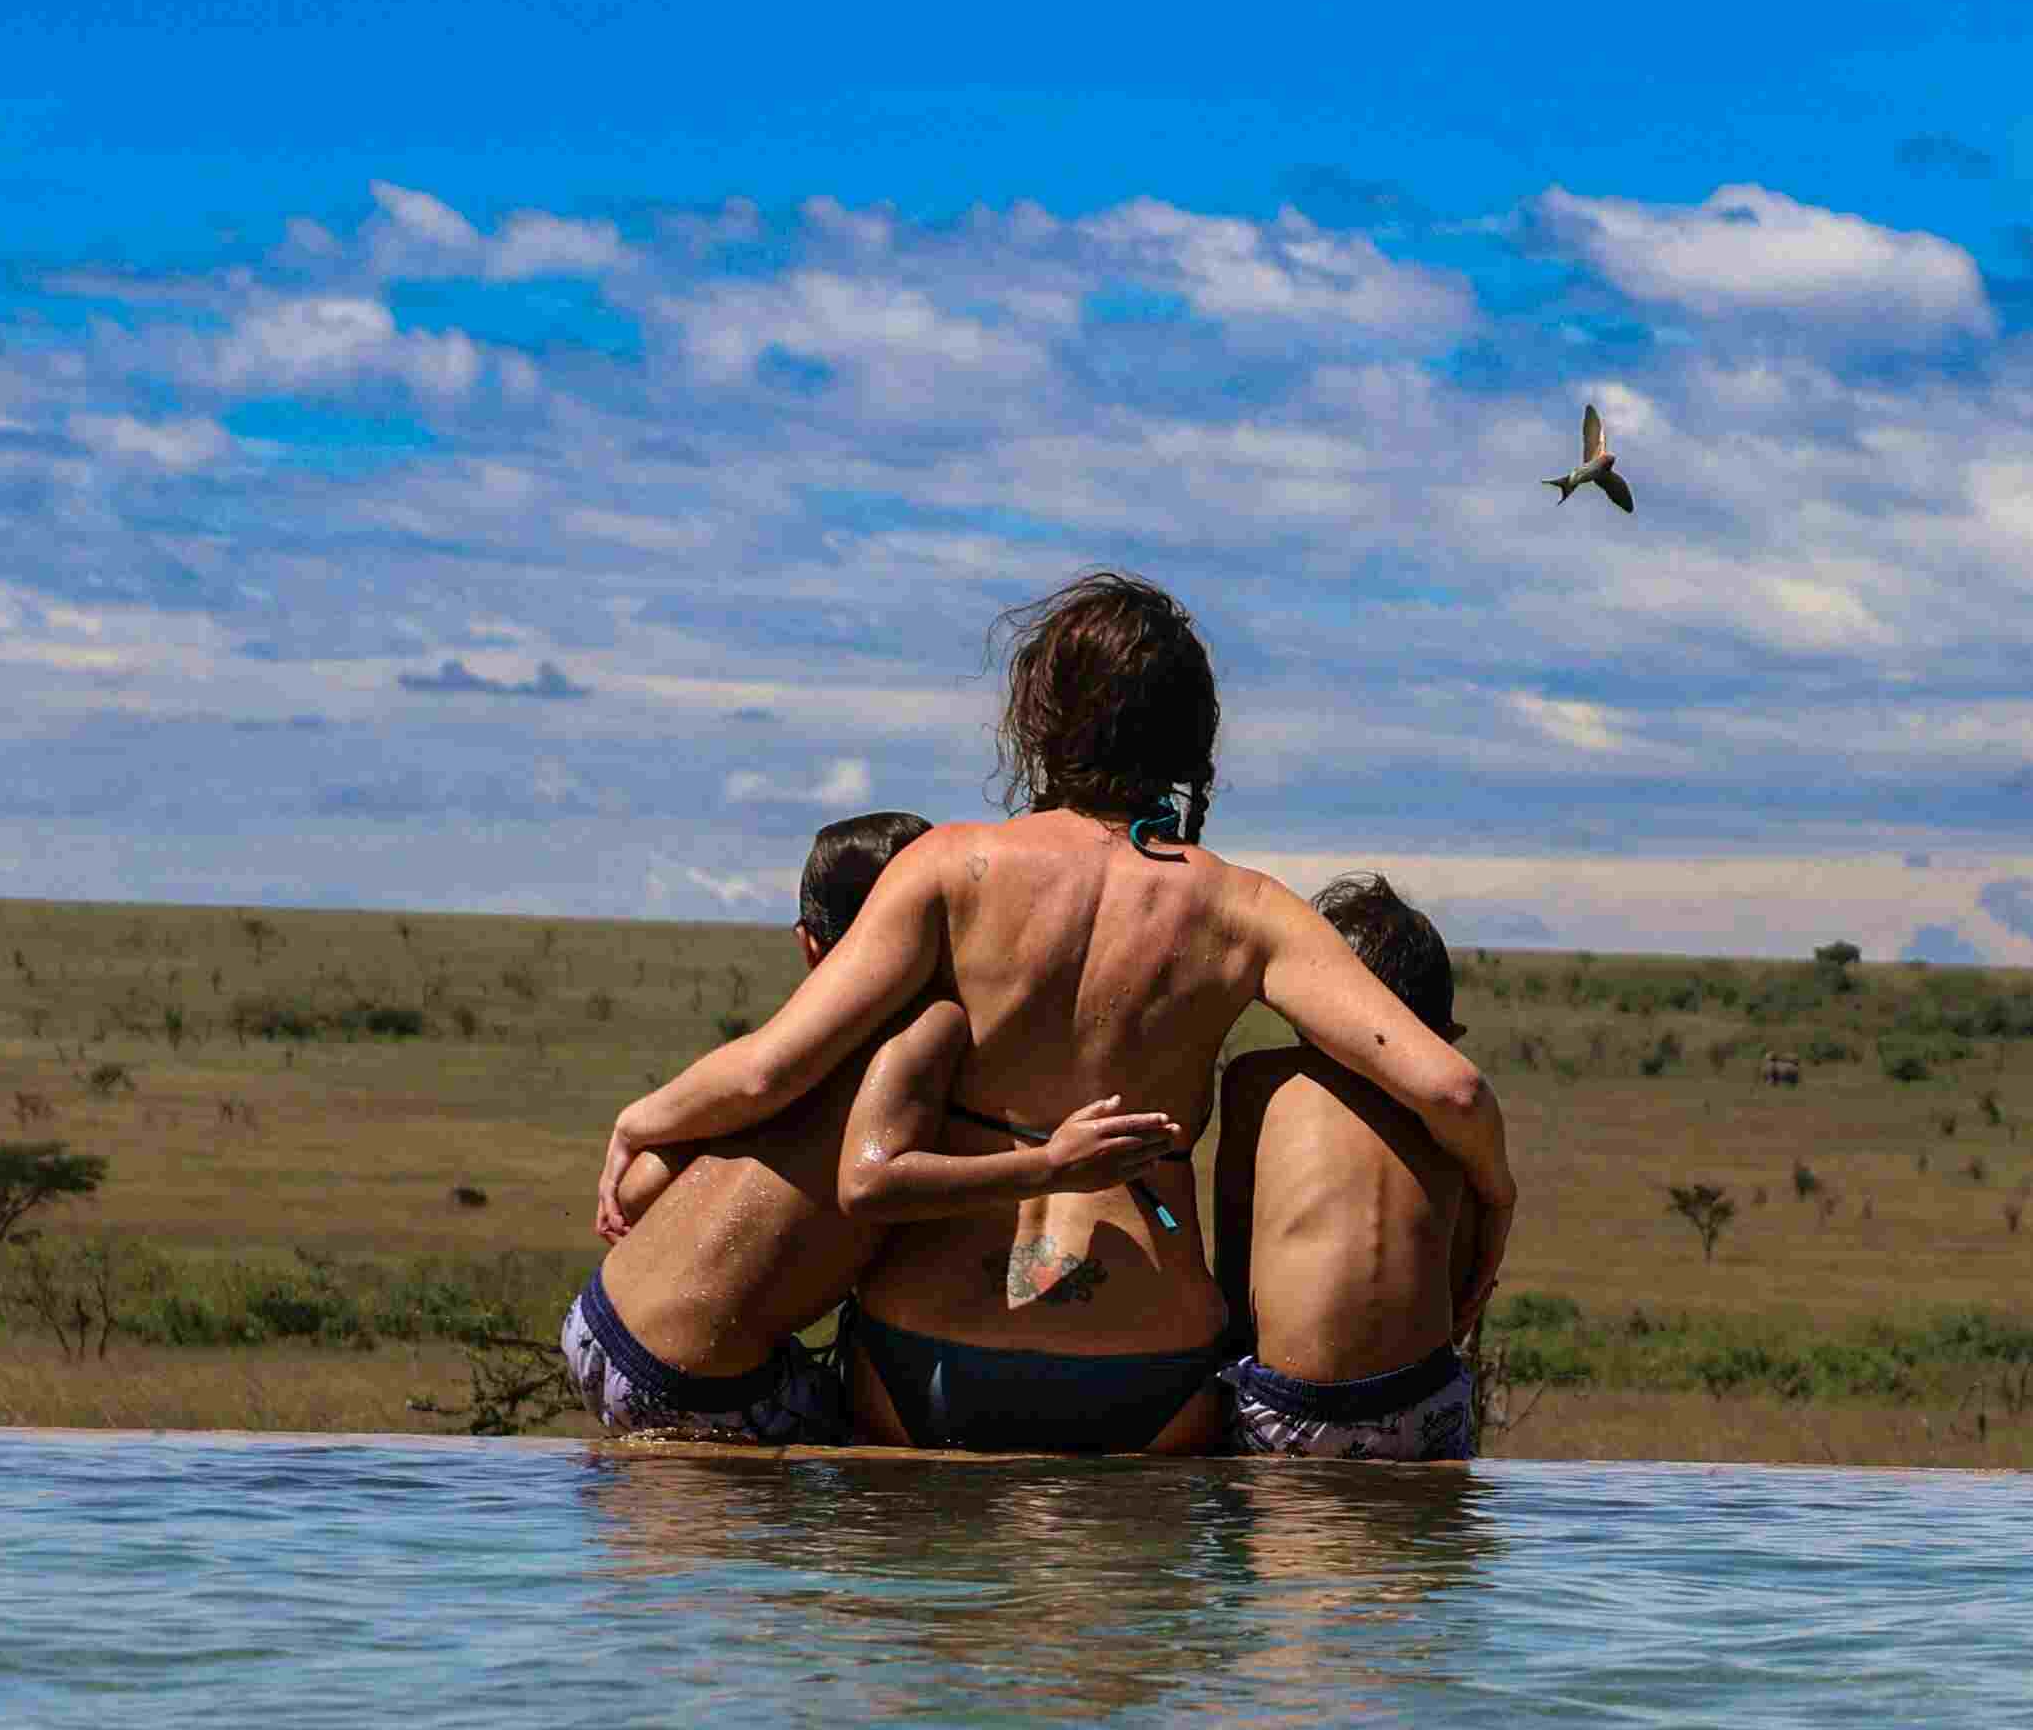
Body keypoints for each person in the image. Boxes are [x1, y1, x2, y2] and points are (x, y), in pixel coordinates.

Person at [593, 571, 1509, 1456]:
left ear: (1040, 718)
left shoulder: (950, 868)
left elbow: (768, 1069)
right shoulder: (1248, 908)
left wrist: (641, 1121)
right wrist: (1496, 1205)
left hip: (928, 1353)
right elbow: (1453, 1089)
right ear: (1194, 738)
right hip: (1149, 1369)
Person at [558, 809, 962, 1441]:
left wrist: (637, 1127)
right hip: (696, 1383)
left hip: (597, 1319)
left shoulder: (771, 1052)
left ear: (808, 943)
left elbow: (635, 1193)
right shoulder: (924, 1047)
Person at [1205, 873, 1499, 1459]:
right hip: (1425, 1401)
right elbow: (1461, 1281)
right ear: (1445, 1036)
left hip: (1288, 1409)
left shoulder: (1258, 1081)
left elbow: (1237, 1259)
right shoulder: (1457, 1108)